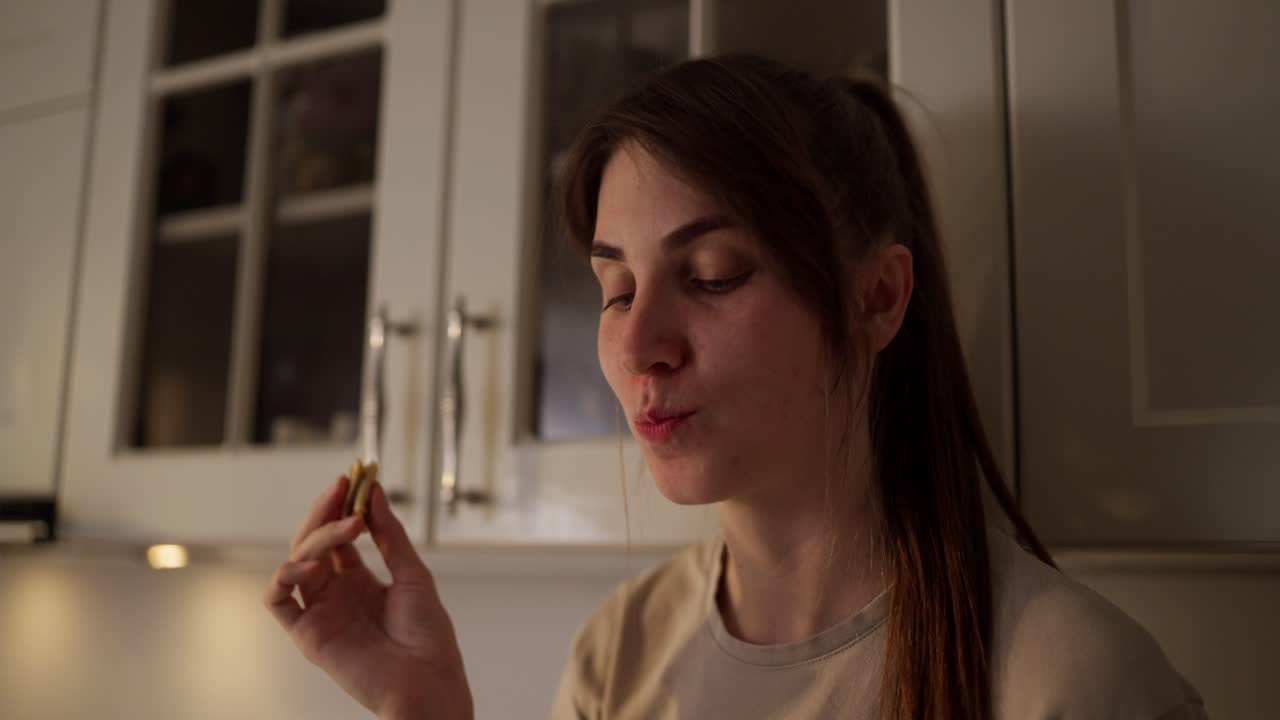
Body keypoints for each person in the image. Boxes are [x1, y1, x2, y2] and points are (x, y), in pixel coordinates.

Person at [264, 54, 1208, 719]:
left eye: (712, 275)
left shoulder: (1077, 683)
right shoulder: (617, 655)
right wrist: (423, 711)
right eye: (615, 290)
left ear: (878, 299)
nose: (640, 345)